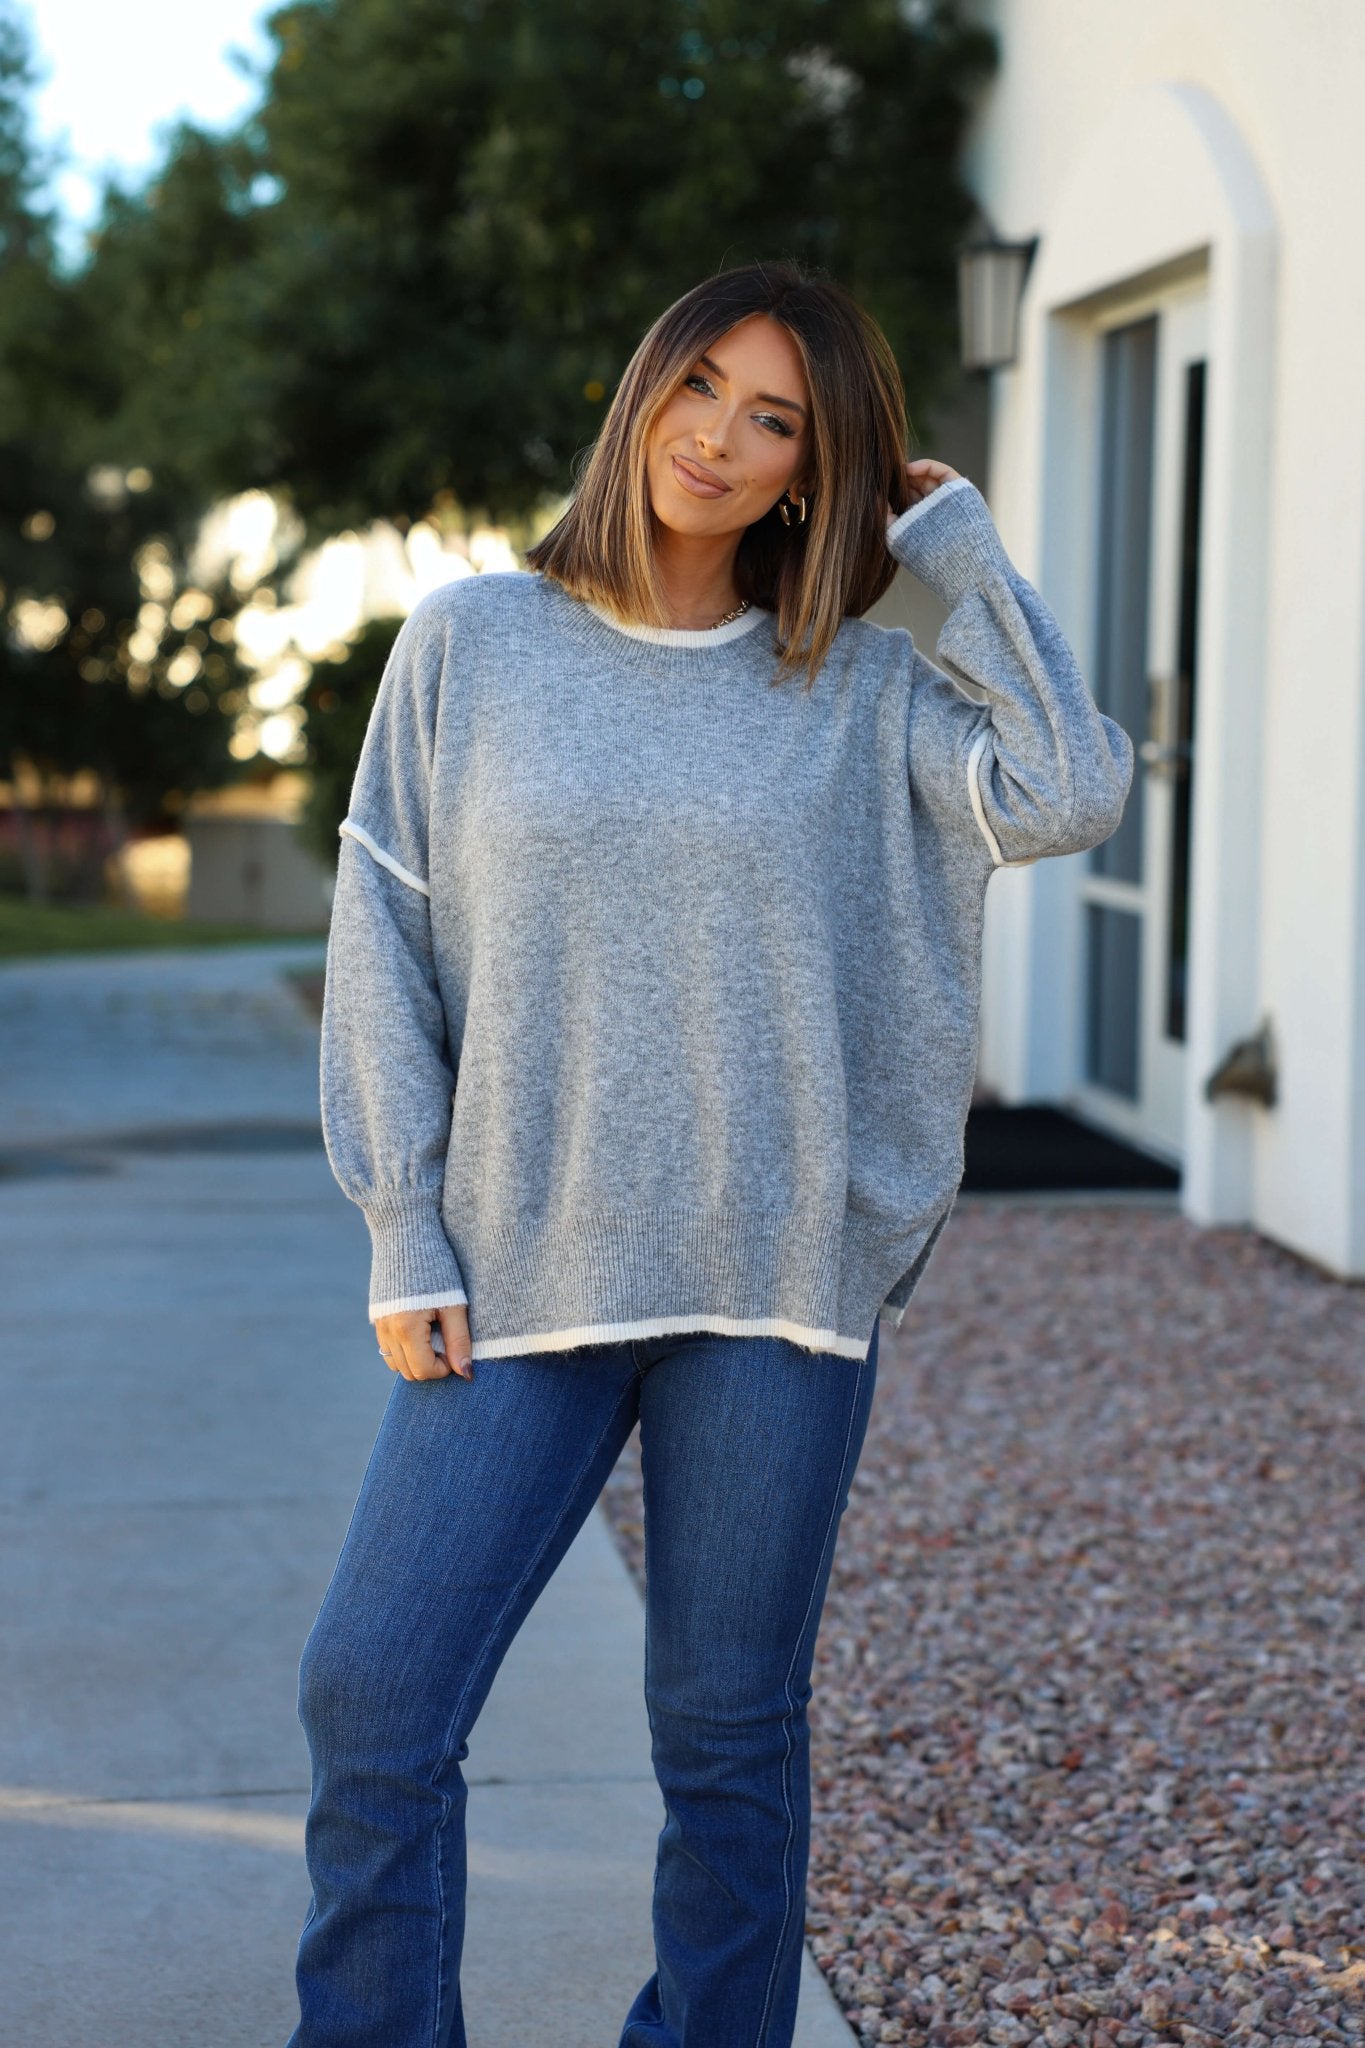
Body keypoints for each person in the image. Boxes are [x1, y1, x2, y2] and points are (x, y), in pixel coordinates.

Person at [286, 258, 1134, 2048]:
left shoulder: (853, 689)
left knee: (728, 1731)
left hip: (767, 1284)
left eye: (778, 423)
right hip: (515, 1269)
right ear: (641, 386)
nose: (722, 443)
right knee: (373, 1695)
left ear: (818, 473)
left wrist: (962, 555)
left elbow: (1067, 789)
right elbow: (385, 933)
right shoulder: (474, 645)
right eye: (702, 390)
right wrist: (400, 1229)